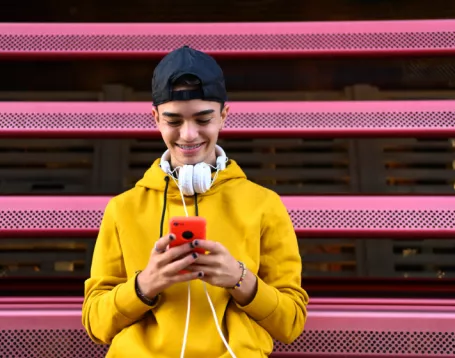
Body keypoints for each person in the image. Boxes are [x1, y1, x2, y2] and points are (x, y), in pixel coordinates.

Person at [81, 45, 309, 358]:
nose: (188, 135)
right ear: (156, 118)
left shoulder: (264, 205)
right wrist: (145, 285)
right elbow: (96, 324)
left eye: (203, 119)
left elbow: (291, 323)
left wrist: (239, 279)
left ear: (224, 115)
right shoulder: (123, 209)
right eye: (174, 121)